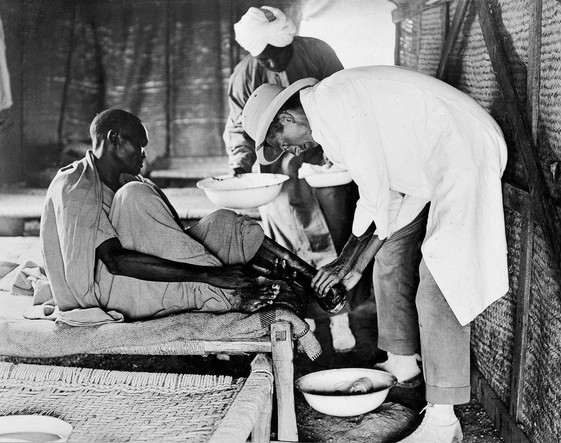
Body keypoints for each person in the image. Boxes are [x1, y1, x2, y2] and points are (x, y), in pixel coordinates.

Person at [241, 65, 509, 442]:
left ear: (286, 118)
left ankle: (444, 422)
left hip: (464, 150)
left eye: (283, 141)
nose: (291, 151)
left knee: (440, 283)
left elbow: (374, 197)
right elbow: (389, 195)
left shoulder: (333, 101)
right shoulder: (326, 118)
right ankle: (403, 362)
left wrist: (346, 262)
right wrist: (353, 266)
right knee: (389, 255)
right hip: (430, 167)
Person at [40, 108, 330, 321]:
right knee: (135, 196)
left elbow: (176, 240)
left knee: (224, 221)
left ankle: (314, 279)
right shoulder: (75, 184)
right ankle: (231, 295)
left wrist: (219, 258)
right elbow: (115, 262)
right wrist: (213, 275)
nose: (144, 155)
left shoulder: (134, 182)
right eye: (139, 146)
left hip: (144, 278)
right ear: (114, 138)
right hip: (110, 292)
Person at [223, 5, 369, 352]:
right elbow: (238, 127)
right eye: (265, 57)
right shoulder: (245, 76)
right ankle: (306, 325)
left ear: (291, 40)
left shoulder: (317, 52)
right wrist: (242, 166)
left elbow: (343, 100)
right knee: (290, 255)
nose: (273, 63)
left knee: (332, 245)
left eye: (279, 53)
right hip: (279, 177)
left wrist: (333, 148)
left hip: (325, 169)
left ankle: (339, 317)